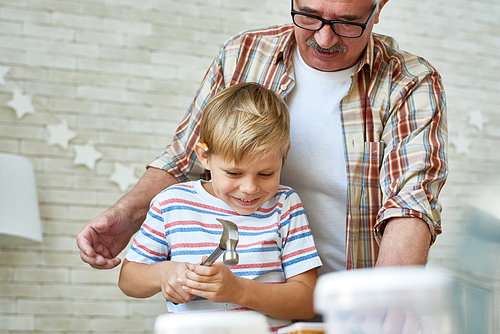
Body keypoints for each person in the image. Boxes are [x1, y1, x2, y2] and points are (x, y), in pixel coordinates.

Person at [78, 0, 447, 277]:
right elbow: (185, 158)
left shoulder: (410, 81)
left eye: (347, 23)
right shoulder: (245, 55)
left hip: (351, 300)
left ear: (378, 8)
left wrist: (386, 300)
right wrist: (129, 213)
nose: (323, 37)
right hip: (248, 301)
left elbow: (409, 203)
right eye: (308, 15)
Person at [118, 82, 322, 332]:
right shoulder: (171, 203)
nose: (249, 188)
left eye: (266, 173)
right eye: (234, 172)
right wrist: (164, 274)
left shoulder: (284, 205)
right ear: (205, 157)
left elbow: (308, 301)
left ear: (283, 158)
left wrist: (239, 291)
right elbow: (128, 279)